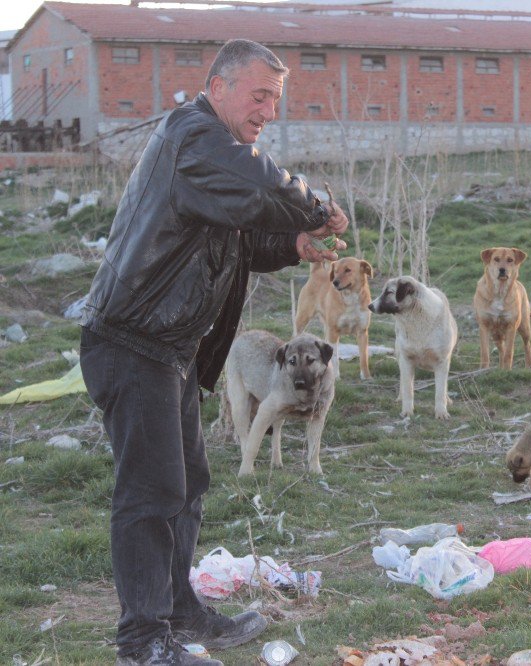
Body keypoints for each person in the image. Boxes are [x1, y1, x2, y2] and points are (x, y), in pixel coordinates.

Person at [79, 39, 349, 666]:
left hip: (168, 347)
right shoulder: (195, 138)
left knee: (188, 481)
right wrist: (316, 205)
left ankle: (179, 610)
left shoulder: (209, 160)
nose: (266, 112)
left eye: (275, 100)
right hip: (130, 341)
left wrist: (294, 242)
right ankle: (142, 642)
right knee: (151, 492)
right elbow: (256, 177)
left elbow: (235, 245)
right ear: (219, 86)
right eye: (259, 96)